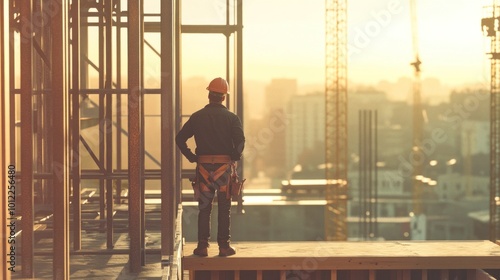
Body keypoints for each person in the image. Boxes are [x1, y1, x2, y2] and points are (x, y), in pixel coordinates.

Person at [175, 77, 245, 257]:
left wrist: (192, 157)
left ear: (209, 95)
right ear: (223, 97)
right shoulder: (231, 118)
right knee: (224, 208)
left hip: (204, 167)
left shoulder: (197, 117)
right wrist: (234, 156)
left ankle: (202, 247)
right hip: (224, 168)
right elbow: (240, 142)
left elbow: (180, 138)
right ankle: (224, 247)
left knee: (204, 208)